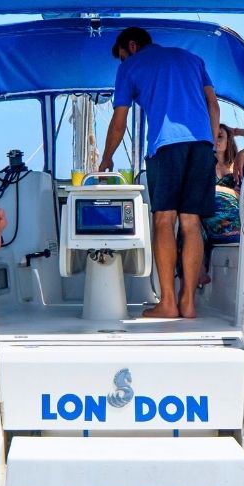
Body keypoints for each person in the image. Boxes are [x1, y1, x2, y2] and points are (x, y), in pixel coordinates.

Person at [98, 26, 220, 320]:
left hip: (166, 145)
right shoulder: (192, 59)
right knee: (191, 222)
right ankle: (188, 303)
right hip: (202, 144)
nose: (123, 62)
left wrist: (106, 159)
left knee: (164, 220)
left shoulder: (130, 66)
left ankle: (167, 303)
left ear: (132, 46)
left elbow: (119, 121)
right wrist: (212, 145)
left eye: (122, 56)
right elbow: (213, 105)